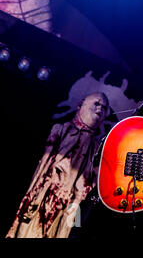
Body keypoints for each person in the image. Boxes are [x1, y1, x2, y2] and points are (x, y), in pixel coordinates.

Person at [6, 92, 109, 238]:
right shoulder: (60, 129)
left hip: (70, 208)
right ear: (81, 104)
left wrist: (76, 226)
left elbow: (89, 193)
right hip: (43, 198)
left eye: (104, 108)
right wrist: (32, 199)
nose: (100, 109)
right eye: (96, 103)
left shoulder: (98, 148)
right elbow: (41, 169)